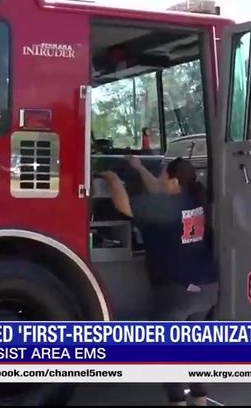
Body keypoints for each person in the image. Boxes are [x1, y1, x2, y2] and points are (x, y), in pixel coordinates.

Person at [100, 157, 218, 407]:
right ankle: (200, 400)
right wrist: (139, 167)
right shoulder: (198, 198)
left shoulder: (163, 208)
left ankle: (177, 401)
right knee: (195, 348)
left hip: (177, 292)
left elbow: (123, 205)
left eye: (163, 174)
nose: (160, 178)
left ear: (173, 181)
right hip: (207, 289)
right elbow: (158, 190)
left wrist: (111, 178)